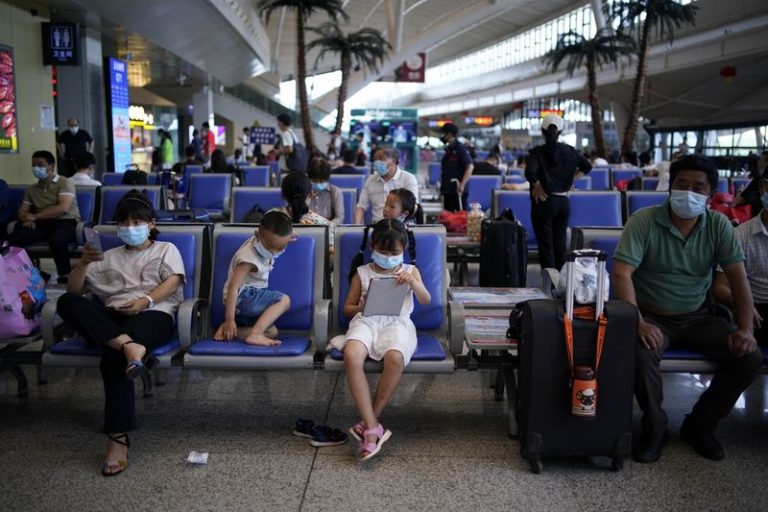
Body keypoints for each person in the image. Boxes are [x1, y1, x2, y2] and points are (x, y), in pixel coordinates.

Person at [612, 155, 762, 464]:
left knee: (748, 357)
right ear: (669, 188)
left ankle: (701, 425)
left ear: (710, 195)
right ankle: (655, 426)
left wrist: (745, 329)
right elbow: (622, 274)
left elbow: (737, 278)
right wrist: (638, 322)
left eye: (698, 187)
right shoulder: (644, 221)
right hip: (651, 316)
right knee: (638, 352)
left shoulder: (718, 225)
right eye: (681, 184)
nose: (688, 192)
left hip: (698, 317)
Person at [56, 190, 186, 476]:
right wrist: (83, 263)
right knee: (66, 302)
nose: (130, 228)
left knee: (111, 357)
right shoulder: (105, 256)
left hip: (153, 314)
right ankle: (130, 347)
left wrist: (145, 300)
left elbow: (174, 282)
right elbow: (74, 291)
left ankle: (117, 439)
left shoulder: (166, 250)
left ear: (151, 223)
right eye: (123, 223)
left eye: (136, 222)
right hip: (111, 318)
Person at [331, 219, 431, 461]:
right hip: (366, 321)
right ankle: (373, 427)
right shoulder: (362, 273)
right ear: (372, 247)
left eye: (394, 253)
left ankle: (369, 422)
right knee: (352, 354)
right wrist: (360, 306)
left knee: (395, 358)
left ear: (403, 250)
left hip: (397, 323)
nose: (388, 257)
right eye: (383, 252)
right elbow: (346, 309)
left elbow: (426, 299)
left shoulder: (410, 271)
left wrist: (414, 282)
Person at [214, 210, 293, 346]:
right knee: (284, 300)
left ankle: (230, 331)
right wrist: (229, 319)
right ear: (257, 235)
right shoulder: (248, 258)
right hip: (242, 298)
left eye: (280, 248)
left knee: (271, 331)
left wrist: (283, 241)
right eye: (270, 246)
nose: (274, 252)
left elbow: (276, 240)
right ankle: (255, 335)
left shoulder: (264, 240)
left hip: (248, 304)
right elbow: (233, 287)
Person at [525, 113, 592, 270]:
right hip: (564, 203)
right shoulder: (570, 151)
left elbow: (530, 172)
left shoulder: (538, 152)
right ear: (561, 132)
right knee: (560, 244)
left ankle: (549, 285)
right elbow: (587, 167)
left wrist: (537, 184)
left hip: (544, 202)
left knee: (546, 245)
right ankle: (562, 283)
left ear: (542, 131)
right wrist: (571, 180)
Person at [713, 166, 768, 346]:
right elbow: (720, 287)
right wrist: (745, 305)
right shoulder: (741, 235)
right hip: (758, 311)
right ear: (762, 187)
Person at [8, 150, 81, 283]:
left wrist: (35, 217)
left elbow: (63, 208)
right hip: (42, 223)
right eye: (33, 164)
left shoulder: (64, 182)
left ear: (51, 167)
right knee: (14, 238)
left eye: (40, 164)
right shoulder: (32, 189)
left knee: (57, 241)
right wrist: (25, 218)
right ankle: (34, 272)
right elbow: (21, 212)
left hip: (65, 221)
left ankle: (65, 275)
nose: (36, 168)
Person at [354, 148, 419, 224]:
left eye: (382, 160)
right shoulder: (370, 180)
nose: (377, 164)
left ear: (394, 161)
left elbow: (413, 207)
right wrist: (356, 226)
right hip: (377, 227)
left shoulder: (408, 178)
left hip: (402, 227)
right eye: (376, 161)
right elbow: (361, 206)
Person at [281, 171, 335, 253]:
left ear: (283, 195)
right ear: (310, 194)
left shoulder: (269, 220)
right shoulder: (326, 226)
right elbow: (332, 261)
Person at [439, 123, 473, 212]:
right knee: (449, 218)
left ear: (449, 134)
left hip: (457, 190)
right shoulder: (449, 149)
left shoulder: (460, 148)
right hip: (448, 189)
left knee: (459, 218)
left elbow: (470, 166)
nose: (442, 136)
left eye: (443, 133)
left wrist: (462, 185)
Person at [307, 158, 344, 224]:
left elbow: (339, 217)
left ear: (327, 179)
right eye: (315, 181)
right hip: (306, 227)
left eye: (321, 181)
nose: (318, 183)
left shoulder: (335, 192)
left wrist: (328, 225)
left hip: (328, 228)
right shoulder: (304, 191)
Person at [734, 151, 768, 218]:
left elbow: (737, 201)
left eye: (760, 160)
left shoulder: (758, 181)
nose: (758, 162)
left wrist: (740, 191)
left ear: (766, 164)